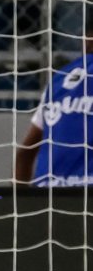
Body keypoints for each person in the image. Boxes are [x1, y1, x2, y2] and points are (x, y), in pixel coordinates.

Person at [15, 36, 93, 186]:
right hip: (87, 196)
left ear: (86, 40)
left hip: (48, 194)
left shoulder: (59, 79)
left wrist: (20, 205)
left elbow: (25, 154)